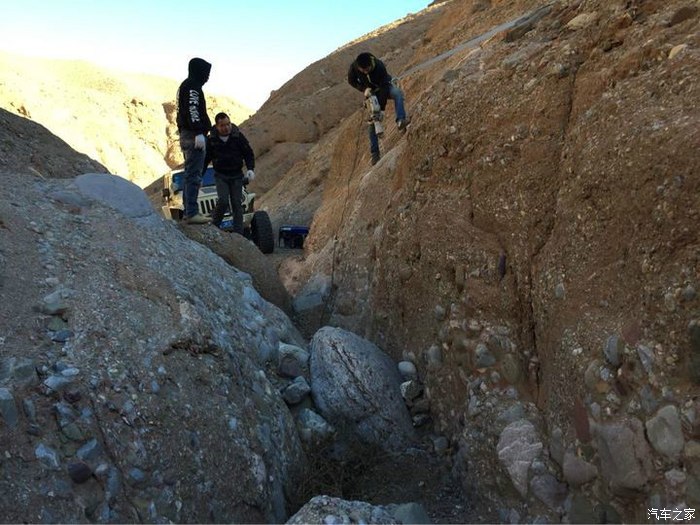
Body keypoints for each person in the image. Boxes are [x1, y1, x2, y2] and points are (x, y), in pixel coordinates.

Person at [347, 52, 410, 165]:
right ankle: (375, 154)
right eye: (363, 70)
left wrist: (381, 109)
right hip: (370, 93)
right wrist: (364, 89)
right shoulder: (354, 67)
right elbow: (351, 81)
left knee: (397, 93)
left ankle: (401, 120)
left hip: (384, 86)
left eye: (367, 69)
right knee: (373, 121)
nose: (365, 72)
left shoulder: (379, 66)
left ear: (371, 64)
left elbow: (385, 89)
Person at [203, 112, 255, 235]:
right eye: (222, 125)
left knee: (237, 204)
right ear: (217, 126)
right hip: (221, 175)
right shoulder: (212, 140)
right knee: (223, 201)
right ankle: (214, 227)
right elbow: (205, 159)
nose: (226, 128)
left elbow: (248, 153)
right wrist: (200, 175)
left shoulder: (238, 136)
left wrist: (250, 169)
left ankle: (238, 234)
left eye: (228, 124)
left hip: (236, 175)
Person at [176, 57, 212, 224]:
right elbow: (192, 109)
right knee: (194, 175)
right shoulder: (192, 87)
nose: (208, 76)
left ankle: (189, 211)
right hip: (193, 135)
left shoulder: (187, 86)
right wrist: (198, 132)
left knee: (191, 174)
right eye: (206, 72)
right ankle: (191, 212)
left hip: (188, 133)